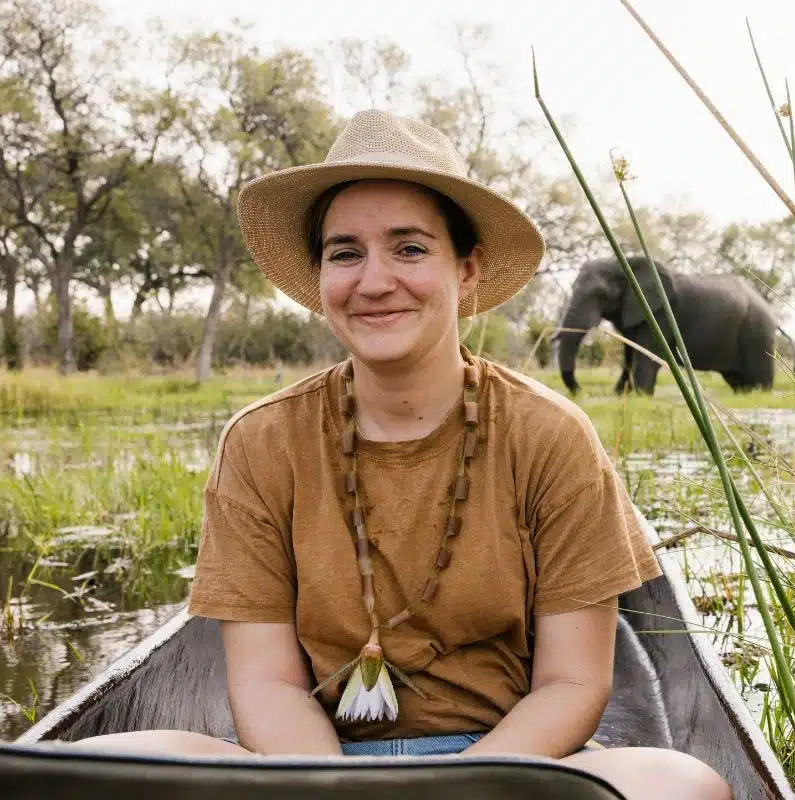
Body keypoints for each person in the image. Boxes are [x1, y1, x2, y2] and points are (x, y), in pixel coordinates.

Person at [70, 110, 732, 800]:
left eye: (409, 249)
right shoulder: (262, 441)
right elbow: (265, 681)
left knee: (682, 783)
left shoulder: (549, 434)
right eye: (345, 252)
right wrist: (331, 789)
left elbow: (572, 682)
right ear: (322, 274)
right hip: (311, 764)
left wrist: (461, 789)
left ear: (467, 268)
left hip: (504, 765)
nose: (374, 281)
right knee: (104, 768)